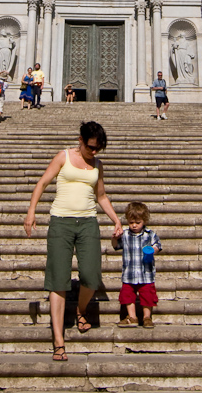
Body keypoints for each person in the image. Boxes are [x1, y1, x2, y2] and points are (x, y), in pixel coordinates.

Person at [24, 121, 123, 361]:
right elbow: (42, 183)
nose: (95, 152)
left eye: (99, 148)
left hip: (88, 222)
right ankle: (59, 341)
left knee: (91, 274)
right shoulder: (63, 156)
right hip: (61, 222)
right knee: (58, 280)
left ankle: (80, 310)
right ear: (80, 140)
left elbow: (101, 195)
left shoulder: (98, 164)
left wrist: (116, 220)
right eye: (91, 147)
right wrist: (31, 211)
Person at [112, 201, 162, 328]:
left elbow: (157, 245)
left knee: (147, 296)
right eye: (131, 222)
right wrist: (114, 238)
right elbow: (116, 246)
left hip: (146, 273)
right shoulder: (125, 235)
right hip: (129, 273)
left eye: (137, 223)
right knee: (127, 295)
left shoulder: (150, 234)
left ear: (144, 221)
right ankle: (132, 317)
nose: (134, 225)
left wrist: (153, 249)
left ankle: (147, 317)